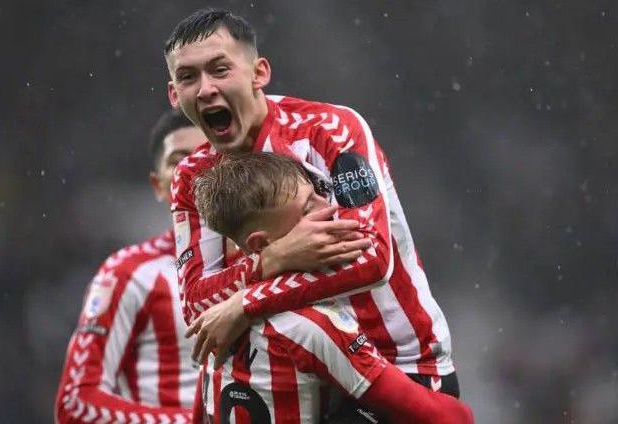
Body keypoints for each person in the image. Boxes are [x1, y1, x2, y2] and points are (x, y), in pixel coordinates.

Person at [166, 8, 459, 396]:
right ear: (174, 95)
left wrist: (247, 301)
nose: (205, 89)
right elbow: (197, 308)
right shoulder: (191, 177)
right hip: (298, 381)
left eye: (220, 70)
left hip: (402, 366)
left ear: (259, 74)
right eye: (188, 77)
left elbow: (372, 258)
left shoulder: (331, 129)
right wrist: (273, 258)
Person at [189, 152, 473, 423]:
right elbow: (453, 418)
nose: (330, 208)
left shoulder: (214, 322)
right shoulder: (314, 326)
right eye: (308, 208)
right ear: (260, 244)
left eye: (317, 193)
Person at [54, 110, 206, 423]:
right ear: (158, 185)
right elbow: (73, 404)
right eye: (179, 160)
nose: (193, 169)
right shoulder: (127, 274)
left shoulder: (270, 264)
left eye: (206, 155)